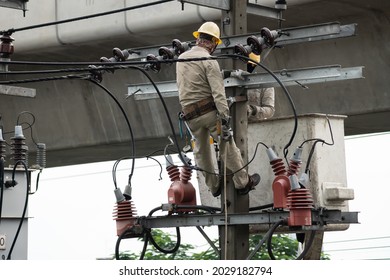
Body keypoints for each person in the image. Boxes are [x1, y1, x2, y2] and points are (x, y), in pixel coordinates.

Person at [176, 21, 260, 197]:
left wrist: (228, 73)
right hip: (209, 113)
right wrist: (225, 117)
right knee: (228, 146)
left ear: (198, 38)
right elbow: (218, 93)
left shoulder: (182, 59)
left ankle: (214, 186)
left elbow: (198, 77)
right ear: (213, 42)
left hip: (190, 115)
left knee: (202, 153)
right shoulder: (209, 61)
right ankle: (242, 182)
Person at [246, 52, 275, 121]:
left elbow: (270, 111)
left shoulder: (265, 84)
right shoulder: (233, 81)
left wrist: (253, 110)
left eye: (252, 65)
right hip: (236, 125)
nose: (250, 67)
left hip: (255, 125)